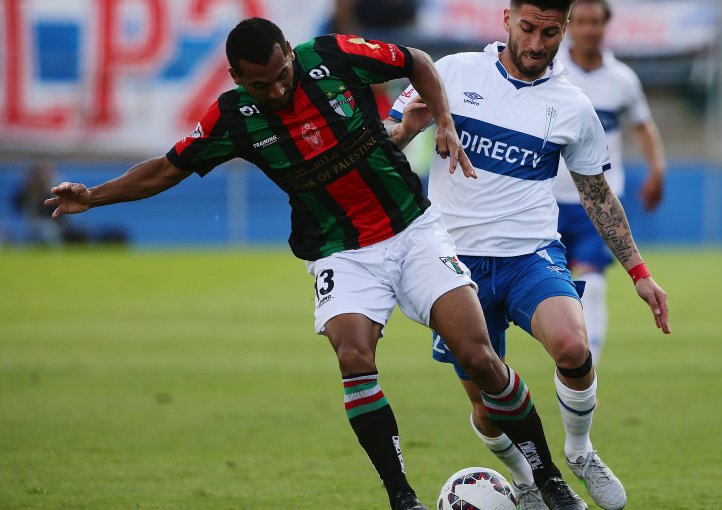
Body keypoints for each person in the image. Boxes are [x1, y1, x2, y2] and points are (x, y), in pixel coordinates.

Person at [45, 17, 589, 510]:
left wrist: (443, 120)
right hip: (340, 251)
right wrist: (93, 196)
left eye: (283, 74)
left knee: (478, 356)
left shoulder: (332, 55)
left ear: (288, 50)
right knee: (353, 357)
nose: (278, 89)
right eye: (262, 85)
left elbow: (415, 62)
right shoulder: (232, 118)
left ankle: (549, 481)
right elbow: (167, 169)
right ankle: (403, 498)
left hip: (412, 229)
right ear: (237, 78)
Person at [385, 1, 670, 509]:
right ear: (506, 20)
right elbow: (380, 145)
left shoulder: (572, 105)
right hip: (452, 267)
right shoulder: (450, 73)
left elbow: (597, 195)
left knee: (572, 346)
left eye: (550, 33)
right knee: (486, 402)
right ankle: (526, 479)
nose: (537, 44)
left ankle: (580, 452)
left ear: (563, 30)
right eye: (528, 29)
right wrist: (406, 128)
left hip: (529, 255)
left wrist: (639, 272)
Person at [552, 0, 668, 365]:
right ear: (570, 25)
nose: (588, 29)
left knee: (594, 287)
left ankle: (588, 371)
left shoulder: (622, 79)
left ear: (605, 25)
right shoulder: (553, 72)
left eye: (595, 22)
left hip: (597, 204)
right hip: (546, 200)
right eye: (581, 22)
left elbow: (643, 125)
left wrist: (657, 169)